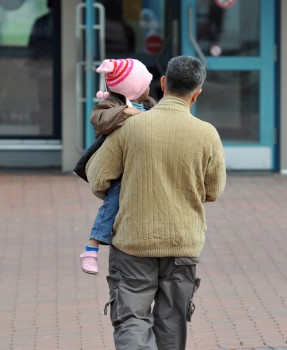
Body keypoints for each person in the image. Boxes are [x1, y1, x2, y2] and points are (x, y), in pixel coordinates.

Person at [86, 55, 226, 349]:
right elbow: (213, 191)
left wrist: (127, 193)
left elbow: (97, 176)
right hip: (183, 243)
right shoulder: (207, 134)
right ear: (197, 92)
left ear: (162, 83)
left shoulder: (130, 127)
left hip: (133, 242)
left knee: (131, 319)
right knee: (172, 322)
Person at [75, 58, 156, 275]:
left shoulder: (150, 105)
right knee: (113, 201)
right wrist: (126, 113)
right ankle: (91, 248)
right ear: (134, 88)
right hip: (120, 166)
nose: (149, 87)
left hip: (144, 162)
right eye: (145, 84)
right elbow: (99, 119)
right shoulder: (111, 104)